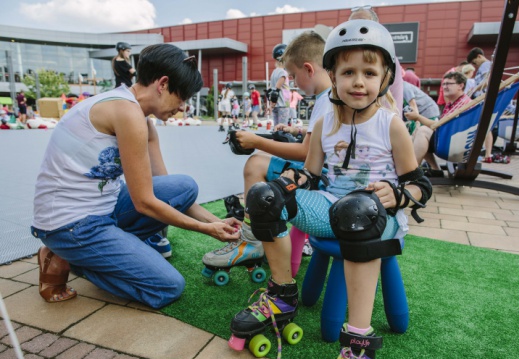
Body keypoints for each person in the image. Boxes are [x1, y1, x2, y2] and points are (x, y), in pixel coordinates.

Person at [228, 20, 431, 359]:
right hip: (328, 206)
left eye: (369, 72)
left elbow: (419, 185)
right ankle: (281, 296)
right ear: (332, 76)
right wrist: (291, 181)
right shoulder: (325, 122)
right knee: (264, 196)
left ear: (385, 77)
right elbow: (314, 174)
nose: (358, 81)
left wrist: (399, 195)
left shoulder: (391, 124)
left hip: (376, 217)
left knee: (356, 210)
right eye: (348, 71)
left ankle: (358, 344)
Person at [30, 44, 241, 308]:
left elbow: (166, 191)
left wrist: (216, 220)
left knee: (183, 186)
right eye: (182, 97)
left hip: (102, 208)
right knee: (167, 286)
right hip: (69, 224)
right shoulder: (126, 113)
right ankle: (68, 257)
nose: (182, 108)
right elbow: (144, 202)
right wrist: (205, 229)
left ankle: (110, 248)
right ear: (163, 84)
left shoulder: (141, 118)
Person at [202, 30, 333, 278]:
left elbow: (307, 152)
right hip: (323, 173)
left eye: (293, 76)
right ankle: (253, 237)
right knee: (259, 162)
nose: (293, 82)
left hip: (320, 178)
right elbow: (318, 137)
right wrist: (298, 129)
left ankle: (251, 241)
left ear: (309, 69)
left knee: (255, 164)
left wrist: (257, 141)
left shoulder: (325, 101)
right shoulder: (327, 97)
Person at [407, 71, 472, 173]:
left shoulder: (463, 105)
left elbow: (439, 126)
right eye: (444, 84)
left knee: (423, 132)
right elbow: (440, 126)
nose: (445, 87)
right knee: (420, 132)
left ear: (460, 86)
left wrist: (417, 117)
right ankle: (435, 169)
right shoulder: (455, 103)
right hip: (453, 141)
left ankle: (411, 172)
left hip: (454, 146)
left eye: (449, 84)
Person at [349, 4, 403, 116]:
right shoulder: (344, 57)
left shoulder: (387, 58)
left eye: (363, 24)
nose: (357, 29)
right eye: (352, 25)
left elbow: (392, 100)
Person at [467, 47, 504, 163]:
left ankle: (487, 153)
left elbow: (487, 81)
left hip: (483, 99)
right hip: (484, 99)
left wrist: (473, 90)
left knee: (485, 127)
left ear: (479, 56)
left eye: (474, 62)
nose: (475, 65)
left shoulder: (485, 65)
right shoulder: (488, 65)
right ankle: (487, 154)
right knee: (486, 128)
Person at [268, 44, 291, 126]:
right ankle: (280, 139)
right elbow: (276, 90)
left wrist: (271, 104)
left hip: (277, 105)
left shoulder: (274, 72)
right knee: (282, 126)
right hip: (283, 105)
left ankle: (275, 138)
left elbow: (270, 89)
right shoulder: (283, 72)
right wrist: (273, 102)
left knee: (276, 125)